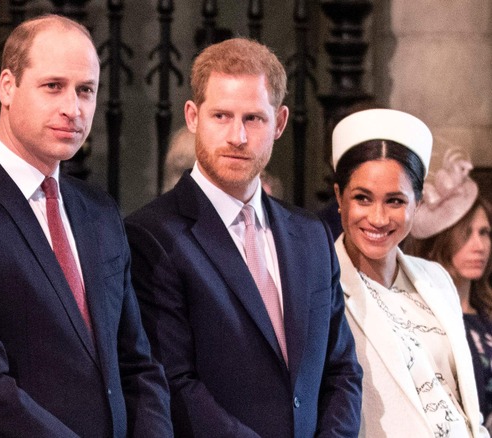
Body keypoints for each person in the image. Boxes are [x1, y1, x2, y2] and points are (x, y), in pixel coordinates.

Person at [0, 14, 172, 437]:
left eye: (86, 90)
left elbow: (138, 364)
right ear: (7, 86)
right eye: (54, 86)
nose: (73, 108)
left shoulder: (100, 211)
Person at [125, 37, 362, 437]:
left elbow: (341, 369)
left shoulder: (310, 235)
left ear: (280, 122)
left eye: (253, 118)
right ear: (193, 116)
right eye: (221, 116)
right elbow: (173, 382)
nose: (237, 136)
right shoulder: (151, 236)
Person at [331, 109, 487, 437]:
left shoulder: (437, 278)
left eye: (395, 201)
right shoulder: (320, 286)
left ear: (417, 204)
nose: (378, 217)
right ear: (339, 198)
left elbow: (461, 398)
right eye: (362, 198)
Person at [407, 148, 492, 431]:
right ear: (442, 239)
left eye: (484, 232)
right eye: (466, 234)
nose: (479, 246)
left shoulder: (487, 315)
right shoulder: (422, 318)